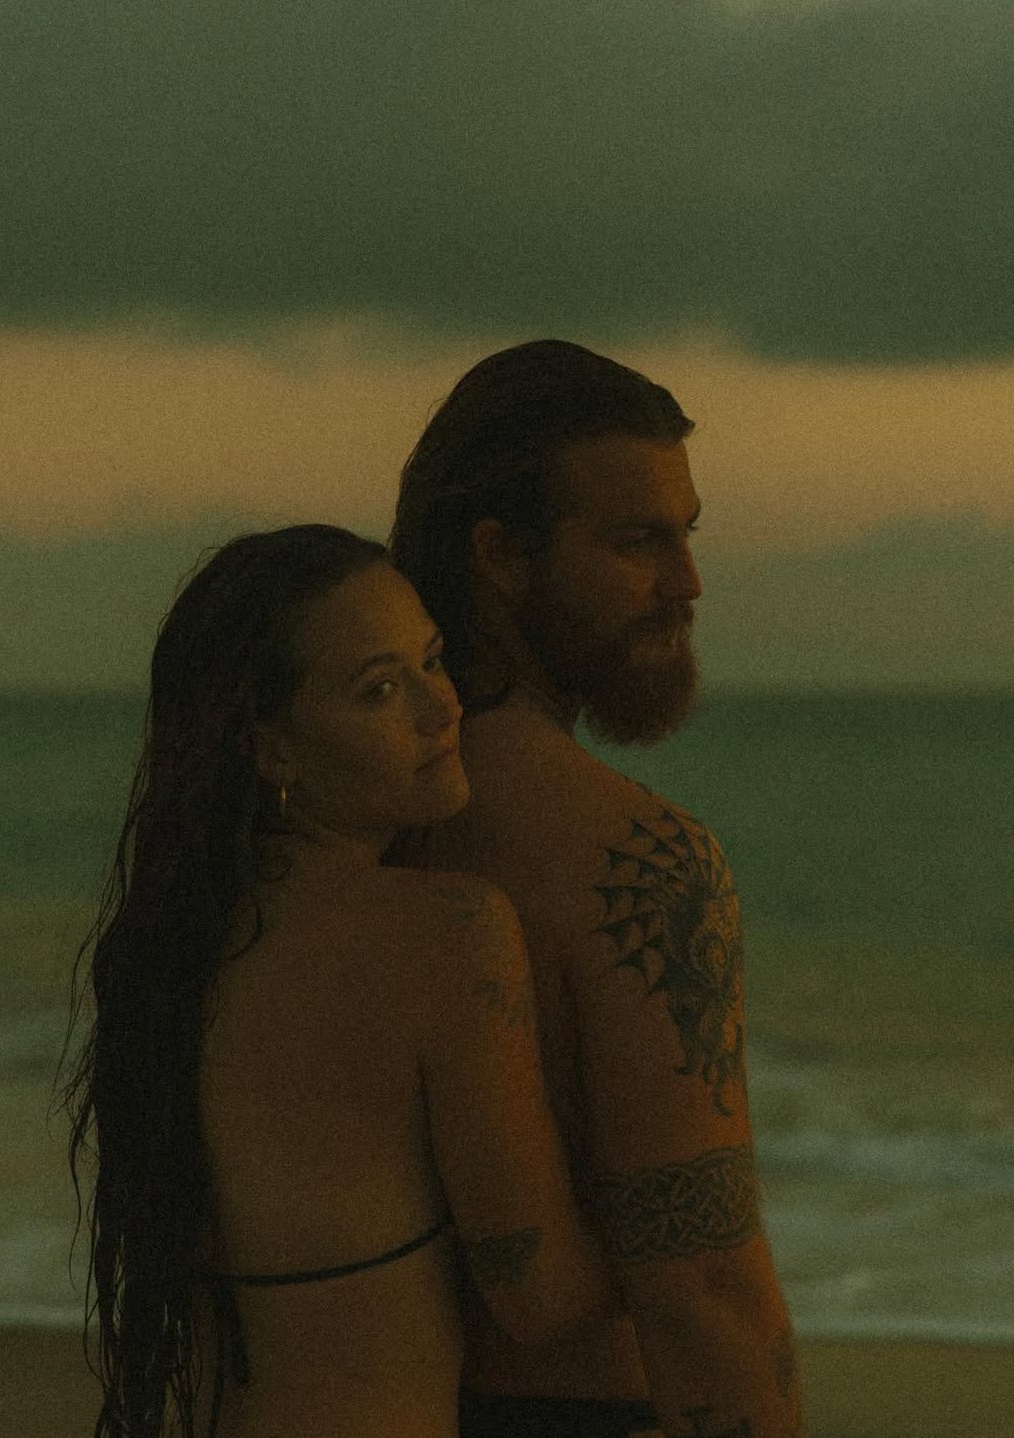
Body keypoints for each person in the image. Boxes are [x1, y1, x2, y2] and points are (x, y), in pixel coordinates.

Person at [58, 524, 620, 1438]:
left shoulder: (168, 947)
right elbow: (539, 1296)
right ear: (273, 751)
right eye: (381, 690)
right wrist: (675, 1208)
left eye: (433, 663)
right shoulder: (446, 931)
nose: (443, 712)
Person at [388, 340, 803, 1438]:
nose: (689, 581)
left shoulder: (329, 832)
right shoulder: (639, 860)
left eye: (687, 534)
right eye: (637, 541)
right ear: (501, 556)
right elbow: (707, 1291)